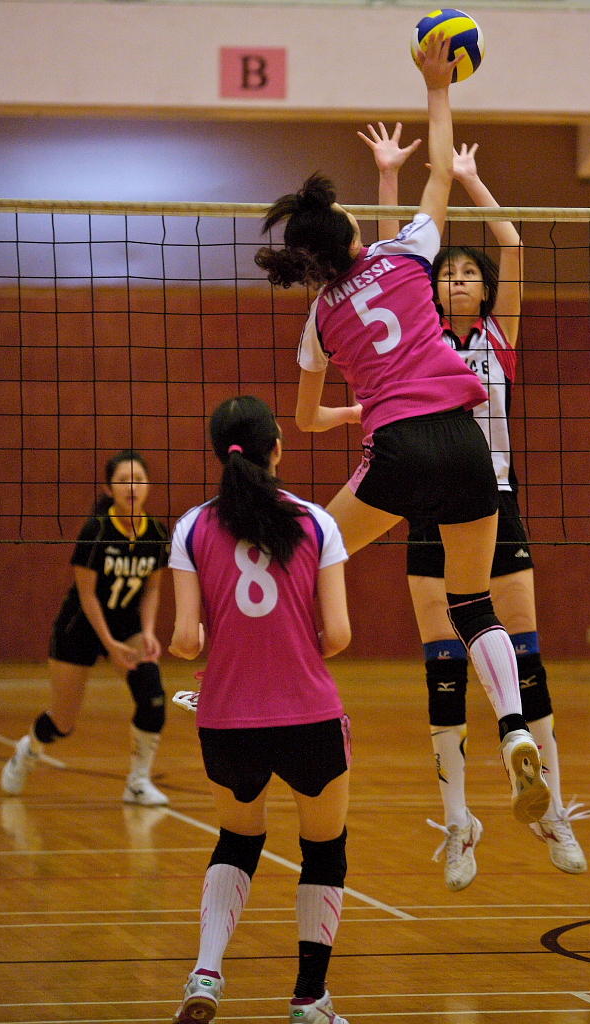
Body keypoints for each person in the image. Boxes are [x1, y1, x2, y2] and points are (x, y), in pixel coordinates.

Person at [254, 34, 551, 837]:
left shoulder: (320, 318)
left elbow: (305, 420)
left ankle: (276, 693)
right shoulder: (407, 255)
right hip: (464, 443)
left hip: (395, 449)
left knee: (309, 551)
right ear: (352, 235)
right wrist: (437, 88)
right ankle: (513, 730)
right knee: (471, 602)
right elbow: (439, 171)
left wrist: (356, 412)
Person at [360, 121, 590, 890]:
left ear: (484, 290)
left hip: (496, 498)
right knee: (443, 667)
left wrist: (466, 180)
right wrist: (389, 177)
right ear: (431, 288)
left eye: (468, 274)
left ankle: (550, 808)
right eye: (447, 273)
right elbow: (389, 257)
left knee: (525, 657)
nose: (456, 280)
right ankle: (459, 821)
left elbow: (514, 244)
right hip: (428, 500)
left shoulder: (499, 335)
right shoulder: (416, 338)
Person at [169, 395, 352, 1024]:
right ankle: (309, 999)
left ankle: (206, 971)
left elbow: (186, 641)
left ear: (221, 453)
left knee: (238, 840)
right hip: (309, 715)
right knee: (323, 848)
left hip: (227, 720)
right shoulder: (317, 522)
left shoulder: (191, 527)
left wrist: (218, 645)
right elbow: (339, 635)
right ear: (277, 447)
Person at [0, 449, 171, 806]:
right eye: (123, 481)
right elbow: (87, 595)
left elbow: (152, 588)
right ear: (109, 488)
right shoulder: (97, 530)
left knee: (153, 699)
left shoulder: (155, 531)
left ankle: (137, 782)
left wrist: (148, 631)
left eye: (138, 480)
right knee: (63, 723)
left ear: (148, 485)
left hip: (126, 625)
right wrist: (109, 644)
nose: (132, 487)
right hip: (79, 629)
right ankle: (29, 749)